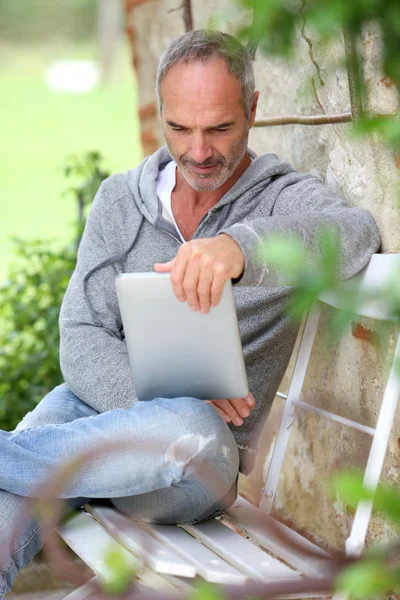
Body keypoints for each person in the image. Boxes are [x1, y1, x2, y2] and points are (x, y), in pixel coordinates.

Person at [0, 29, 380, 596]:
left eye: (220, 129)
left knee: (191, 429)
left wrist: (241, 248)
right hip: (90, 415)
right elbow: (80, 335)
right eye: (180, 128)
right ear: (161, 114)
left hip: (192, 460)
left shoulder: (279, 197)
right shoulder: (119, 202)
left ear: (252, 110)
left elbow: (356, 234)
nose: (199, 151)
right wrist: (151, 401)